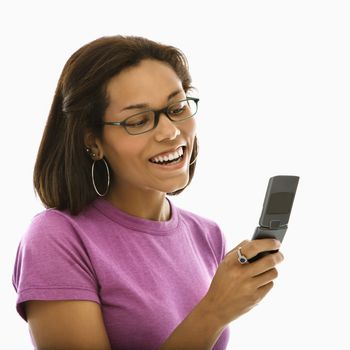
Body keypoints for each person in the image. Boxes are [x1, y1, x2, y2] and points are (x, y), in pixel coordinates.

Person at [12, 35, 283, 350]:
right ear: (93, 141)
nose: (170, 132)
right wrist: (213, 312)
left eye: (177, 107)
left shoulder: (207, 235)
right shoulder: (57, 237)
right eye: (138, 121)